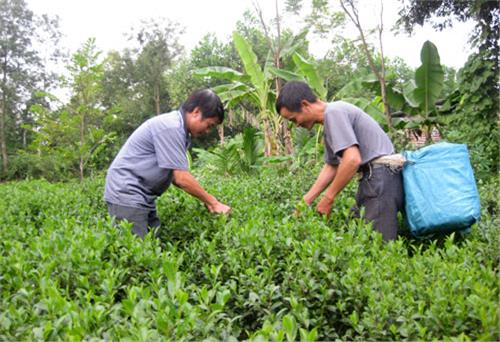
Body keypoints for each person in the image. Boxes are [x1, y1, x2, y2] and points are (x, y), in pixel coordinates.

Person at [275, 81, 404, 241]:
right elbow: (332, 166)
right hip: (374, 178)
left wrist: (328, 198)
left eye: (294, 119)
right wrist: (305, 201)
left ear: (305, 104)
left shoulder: (334, 113)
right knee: (357, 231)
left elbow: (352, 160)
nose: (297, 125)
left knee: (378, 244)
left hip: (381, 177)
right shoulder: (330, 121)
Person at [104, 89, 231, 238]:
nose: (208, 131)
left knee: (151, 245)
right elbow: (181, 178)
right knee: (134, 252)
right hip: (127, 193)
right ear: (196, 112)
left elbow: (175, 177)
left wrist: (206, 200)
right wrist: (213, 203)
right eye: (209, 125)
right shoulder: (171, 127)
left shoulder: (179, 130)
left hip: (142, 196)